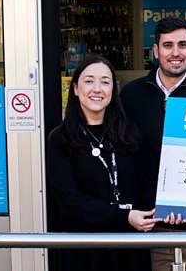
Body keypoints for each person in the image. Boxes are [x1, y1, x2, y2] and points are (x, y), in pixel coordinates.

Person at [121, 16, 186, 271]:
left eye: (182, 45)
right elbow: (124, 158)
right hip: (148, 227)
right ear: (156, 51)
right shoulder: (131, 96)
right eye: (168, 45)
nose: (175, 53)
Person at [45, 55, 156, 271]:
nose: (97, 89)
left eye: (105, 82)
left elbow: (146, 184)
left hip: (129, 248)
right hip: (84, 250)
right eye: (89, 81)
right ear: (75, 89)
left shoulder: (129, 133)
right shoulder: (60, 139)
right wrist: (124, 216)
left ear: (113, 90)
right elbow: (69, 201)